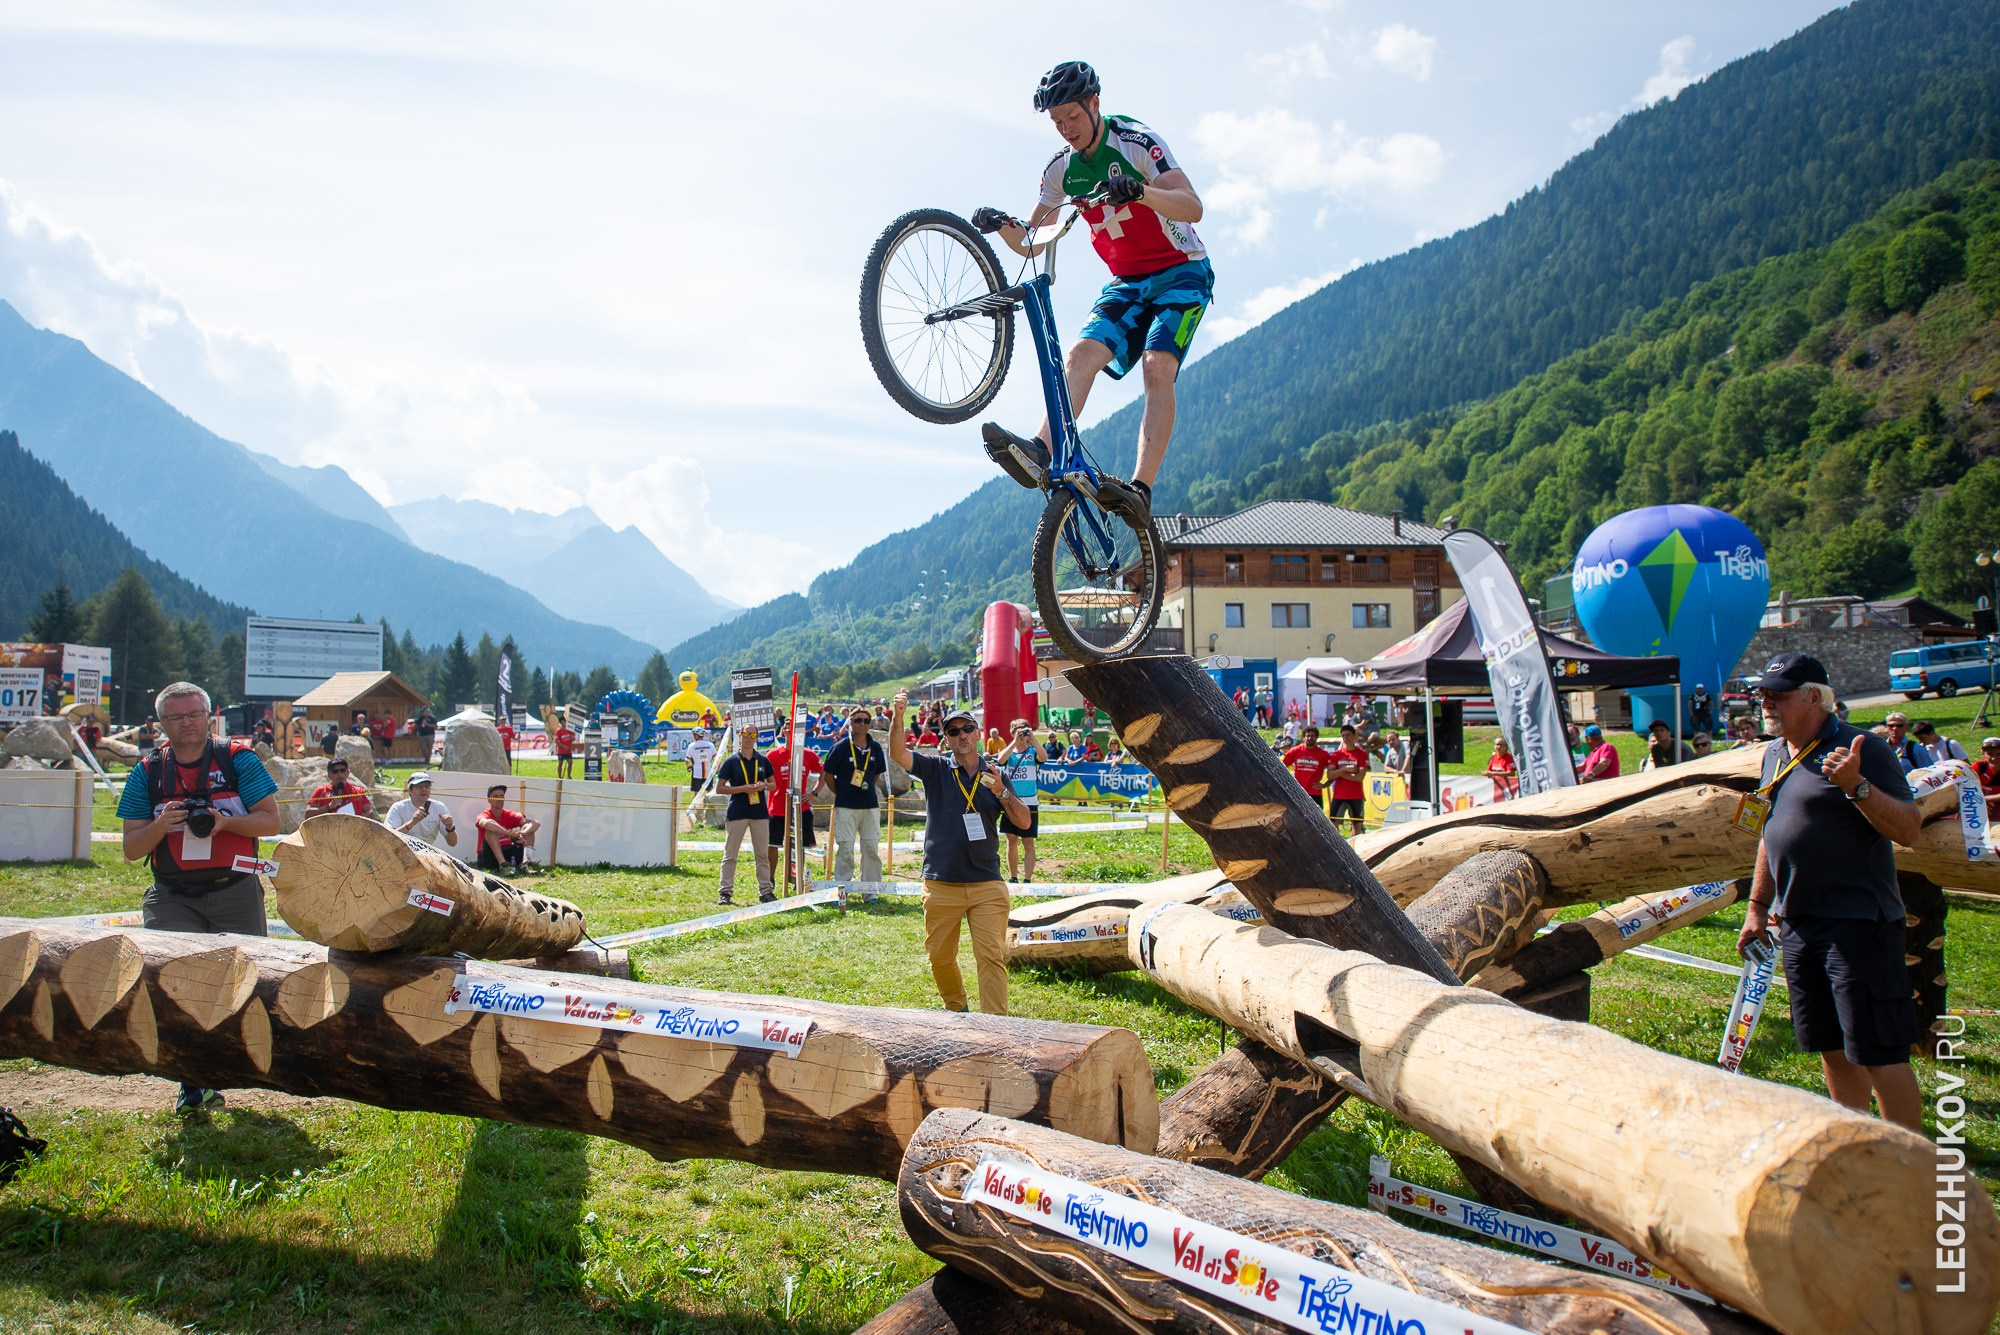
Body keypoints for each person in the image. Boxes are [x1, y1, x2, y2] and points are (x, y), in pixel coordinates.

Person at [971, 64, 1208, 520]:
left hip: (1182, 273)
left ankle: (1141, 489)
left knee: (1157, 368)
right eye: (1057, 122)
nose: (1066, 129)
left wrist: (1140, 191)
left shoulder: (1137, 142)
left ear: (1094, 104)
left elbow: (1192, 207)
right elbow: (1033, 238)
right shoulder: (1062, 171)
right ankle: (1041, 450)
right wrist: (1003, 227)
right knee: (1079, 356)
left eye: (1072, 118)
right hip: (1126, 283)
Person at [1736, 653, 1922, 1131]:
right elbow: (1771, 831)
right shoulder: (1776, 752)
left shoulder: (1864, 748)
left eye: (1777, 693)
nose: (1765, 701)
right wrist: (1758, 907)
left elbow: (1909, 829)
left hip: (1858, 923)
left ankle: (1909, 1162)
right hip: (1798, 923)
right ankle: (1857, 1148)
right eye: (1763, 693)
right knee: (1833, 1049)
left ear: (1814, 697)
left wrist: (1856, 786)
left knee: (1877, 1051)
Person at [118, 682, 281, 1115]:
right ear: (161, 723)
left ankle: (245, 1061)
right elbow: (131, 848)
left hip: (236, 890)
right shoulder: (148, 771)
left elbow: (270, 820)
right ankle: (192, 1085)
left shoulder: (237, 759)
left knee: (248, 982)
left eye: (192, 715)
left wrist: (223, 823)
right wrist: (161, 825)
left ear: (209, 716)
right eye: (174, 717)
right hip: (173, 895)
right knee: (175, 985)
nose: (185, 723)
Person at [889, 693, 1031, 1014]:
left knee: (990, 956)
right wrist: (899, 716)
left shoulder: (995, 774)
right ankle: (957, 1009)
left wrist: (1002, 793)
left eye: (967, 728)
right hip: (941, 882)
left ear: (979, 733)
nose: (962, 735)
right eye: (954, 732)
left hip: (986, 884)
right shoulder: (936, 768)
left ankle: (995, 1025)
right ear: (947, 739)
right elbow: (898, 752)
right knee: (939, 956)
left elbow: (1023, 821)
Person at [819, 707, 888, 883]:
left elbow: (876, 775)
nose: (862, 724)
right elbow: (828, 776)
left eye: (866, 721)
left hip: (870, 805)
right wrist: (842, 792)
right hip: (846, 805)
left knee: (871, 847)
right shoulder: (840, 747)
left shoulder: (875, 747)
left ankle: (870, 890)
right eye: (858, 720)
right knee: (845, 848)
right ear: (851, 722)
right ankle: (842, 888)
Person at [714, 730, 775, 905]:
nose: (749, 738)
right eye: (746, 735)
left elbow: (773, 784)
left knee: (762, 855)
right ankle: (725, 892)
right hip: (738, 812)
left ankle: (765, 891)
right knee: (730, 854)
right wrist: (743, 789)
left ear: (756, 738)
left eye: (752, 735)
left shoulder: (763, 760)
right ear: (740, 736)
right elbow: (720, 788)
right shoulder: (731, 761)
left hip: (760, 814)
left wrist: (763, 785)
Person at [765, 728, 823, 890]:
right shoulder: (773, 755)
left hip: (801, 808)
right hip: (777, 808)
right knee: (772, 845)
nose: (791, 731)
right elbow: (763, 777)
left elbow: (823, 772)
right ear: (783, 731)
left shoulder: (808, 754)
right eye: (788, 727)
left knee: (799, 845)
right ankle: (770, 880)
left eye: (795, 728)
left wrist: (814, 793)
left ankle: (797, 878)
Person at [997, 721, 1042, 882]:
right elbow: (1000, 760)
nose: (1021, 734)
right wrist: (1014, 742)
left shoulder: (1032, 752)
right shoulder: (1010, 752)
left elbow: (1043, 757)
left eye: (1024, 731)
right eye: (1018, 731)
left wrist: (1033, 738)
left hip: (1030, 802)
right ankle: (1013, 876)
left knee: (1027, 841)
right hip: (1010, 801)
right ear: (1012, 732)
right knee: (1011, 839)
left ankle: (1028, 879)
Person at [474, 783, 540, 876]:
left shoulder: (509, 814)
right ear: (489, 800)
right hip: (488, 856)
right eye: (496, 796)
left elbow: (535, 823)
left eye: (502, 796)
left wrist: (522, 832)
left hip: (508, 852)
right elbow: (485, 823)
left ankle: (526, 864)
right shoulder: (485, 814)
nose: (499, 798)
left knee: (529, 829)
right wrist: (508, 833)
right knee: (490, 831)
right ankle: (503, 866)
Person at [384, 772, 459, 848]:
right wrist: (412, 822)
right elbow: (389, 839)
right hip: (401, 850)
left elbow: (453, 843)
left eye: (427, 786)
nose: (424, 790)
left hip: (427, 852)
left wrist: (450, 828)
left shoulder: (439, 807)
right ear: (410, 790)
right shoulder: (398, 807)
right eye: (419, 787)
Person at [1327, 724, 1372, 833]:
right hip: (1339, 795)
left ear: (1354, 736)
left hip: (1356, 796)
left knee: (1357, 826)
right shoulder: (1336, 755)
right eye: (1343, 736)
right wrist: (1345, 769)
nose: (1346, 738)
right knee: (1333, 826)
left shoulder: (1362, 754)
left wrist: (1339, 773)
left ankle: (1355, 848)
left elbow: (1359, 777)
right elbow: (1329, 775)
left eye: (1348, 735)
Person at [1280, 724, 1336, 808]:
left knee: (1317, 820)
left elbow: (1334, 771)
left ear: (1316, 737)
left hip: (1315, 793)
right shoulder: (1295, 751)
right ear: (1304, 737)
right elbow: (1281, 767)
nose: (1310, 738)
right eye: (1307, 736)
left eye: (1312, 736)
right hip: (1298, 792)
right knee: (1296, 819)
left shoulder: (1323, 754)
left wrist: (1325, 784)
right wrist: (1288, 782)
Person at [1977, 737, 2000, 816]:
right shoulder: (1979, 766)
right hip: (1981, 803)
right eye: (1990, 754)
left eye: (1999, 754)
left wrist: (1981, 800)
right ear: (1983, 752)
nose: (1994, 758)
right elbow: (1965, 788)